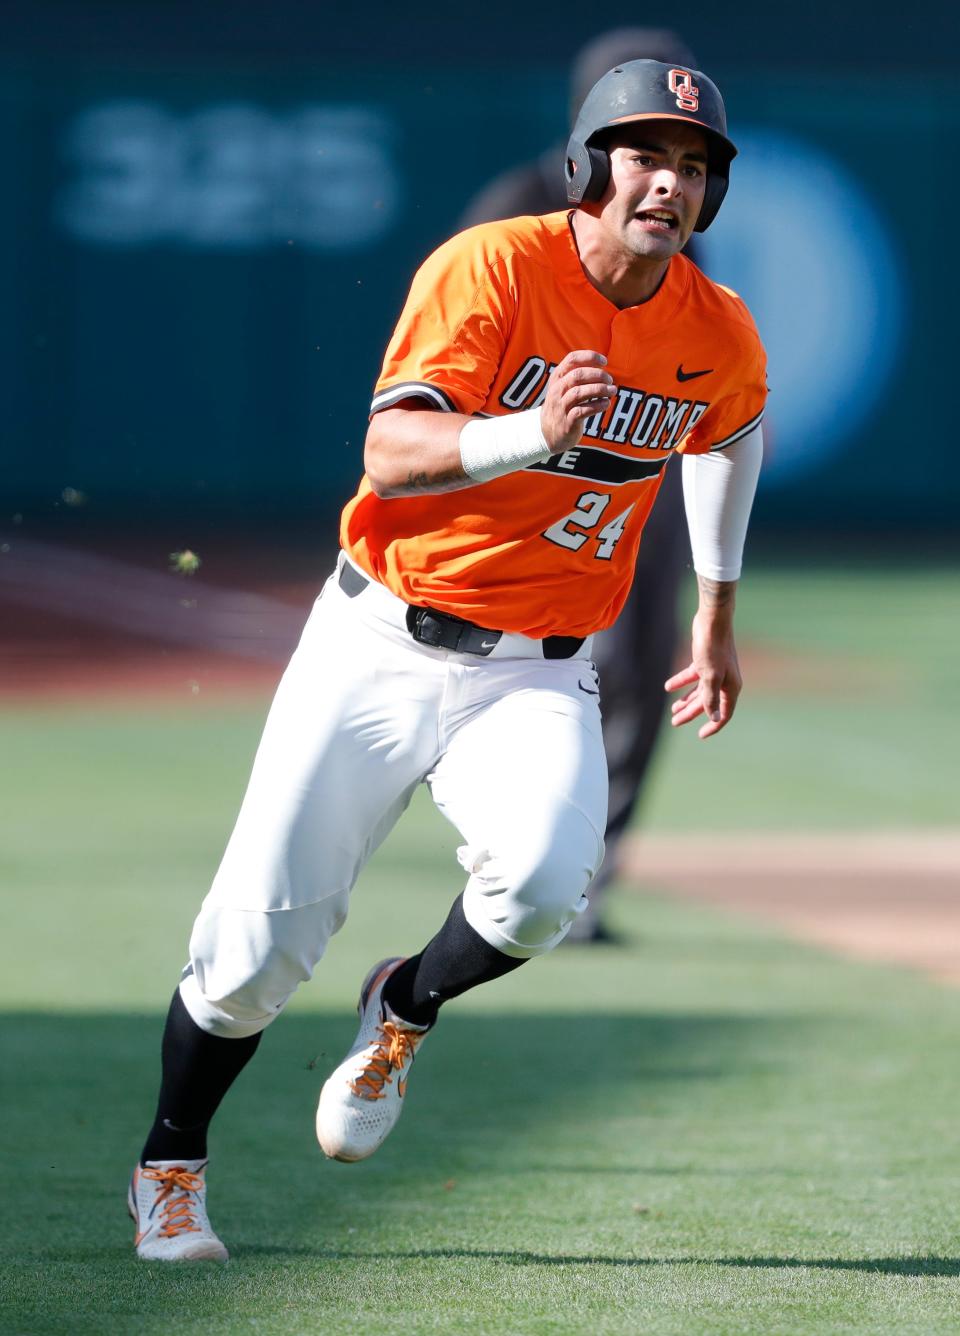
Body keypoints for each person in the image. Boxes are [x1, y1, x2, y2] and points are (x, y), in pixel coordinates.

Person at [129, 56, 766, 1261]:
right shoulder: (493, 264)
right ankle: (171, 1161)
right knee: (250, 959)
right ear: (586, 165)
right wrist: (533, 430)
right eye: (644, 155)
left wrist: (716, 609)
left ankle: (404, 1004)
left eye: (693, 166)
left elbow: (729, 430)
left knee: (538, 893)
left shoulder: (714, 327)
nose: (668, 183)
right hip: (379, 635)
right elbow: (391, 451)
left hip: (536, 667)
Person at [461, 28, 703, 942]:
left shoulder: (672, 218)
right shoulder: (513, 209)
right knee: (504, 678)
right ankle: (510, 861)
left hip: (635, 485)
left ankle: (583, 884)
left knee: (638, 670)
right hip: (520, 489)